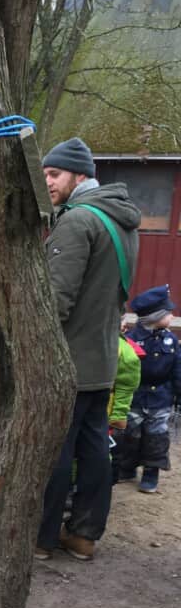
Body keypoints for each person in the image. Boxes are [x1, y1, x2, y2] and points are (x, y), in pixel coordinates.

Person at [35, 137, 140, 563]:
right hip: (102, 358)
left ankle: (41, 539)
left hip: (69, 361)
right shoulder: (121, 220)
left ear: (80, 175)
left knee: (55, 448)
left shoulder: (79, 221)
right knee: (94, 447)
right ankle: (83, 535)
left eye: (55, 174)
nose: (48, 182)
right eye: (44, 175)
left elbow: (56, 301)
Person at [121, 285, 181, 493]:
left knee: (156, 437)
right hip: (136, 396)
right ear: (154, 317)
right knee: (130, 433)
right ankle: (126, 468)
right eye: (167, 313)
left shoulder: (171, 340)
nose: (172, 315)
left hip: (161, 399)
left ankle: (150, 473)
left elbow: (177, 369)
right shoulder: (131, 339)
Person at [108, 331, 143, 485]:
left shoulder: (125, 349)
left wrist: (119, 415)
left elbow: (126, 385)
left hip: (108, 410)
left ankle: (109, 480)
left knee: (110, 447)